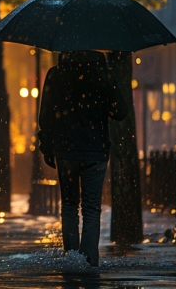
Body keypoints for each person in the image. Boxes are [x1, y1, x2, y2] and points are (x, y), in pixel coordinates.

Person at [38, 51, 128, 267]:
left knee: (69, 205)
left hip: (66, 150)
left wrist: (47, 146)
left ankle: (71, 259)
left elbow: (46, 115)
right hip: (95, 151)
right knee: (91, 207)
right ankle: (89, 261)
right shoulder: (103, 74)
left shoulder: (56, 74)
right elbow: (120, 112)